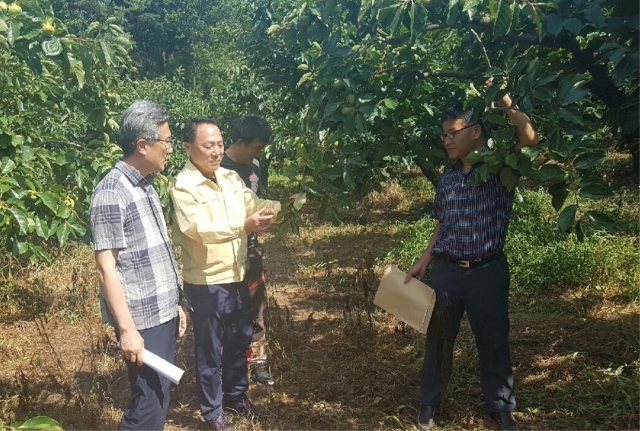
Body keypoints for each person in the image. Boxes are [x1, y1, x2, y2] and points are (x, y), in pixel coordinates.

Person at [404, 80, 538, 431]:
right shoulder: (447, 180)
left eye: (452, 133)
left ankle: (501, 406)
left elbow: (529, 138)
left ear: (475, 132)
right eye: (444, 135)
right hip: (448, 272)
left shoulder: (498, 168)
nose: (446, 140)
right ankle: (429, 403)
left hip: (487, 272)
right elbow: (443, 224)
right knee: (438, 340)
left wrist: (505, 100)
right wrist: (424, 259)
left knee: (493, 339)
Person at [169, 118, 281, 431]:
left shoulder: (231, 178)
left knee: (239, 341)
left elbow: (254, 204)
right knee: (210, 350)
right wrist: (243, 227)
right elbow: (198, 230)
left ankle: (236, 396)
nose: (216, 151)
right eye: (208, 145)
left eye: (219, 144)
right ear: (188, 148)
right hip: (206, 282)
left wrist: (282, 209)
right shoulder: (183, 187)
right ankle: (212, 411)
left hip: (237, 276)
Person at [90, 99, 188, 430]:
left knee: (157, 399)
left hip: (161, 312)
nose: (171, 149)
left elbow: (154, 255)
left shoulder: (145, 186)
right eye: (167, 141)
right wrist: (128, 331)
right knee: (148, 404)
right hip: (142, 320)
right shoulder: (111, 192)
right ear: (143, 145)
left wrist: (176, 306)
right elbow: (107, 269)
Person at [221, 115, 274, 387]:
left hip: (252, 250)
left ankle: (258, 362)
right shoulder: (217, 167)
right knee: (228, 310)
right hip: (225, 253)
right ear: (240, 143)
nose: (258, 153)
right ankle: (229, 363)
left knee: (256, 307)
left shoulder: (255, 166)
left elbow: (257, 201)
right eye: (256, 147)